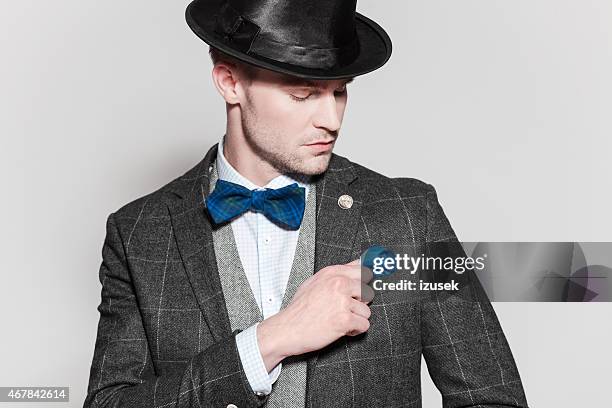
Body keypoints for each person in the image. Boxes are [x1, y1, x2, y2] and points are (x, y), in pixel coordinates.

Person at [84, 0, 528, 407]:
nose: (331, 119)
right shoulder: (140, 232)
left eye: (339, 91)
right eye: (303, 94)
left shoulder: (408, 214)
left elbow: (492, 398)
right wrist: (267, 342)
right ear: (230, 82)